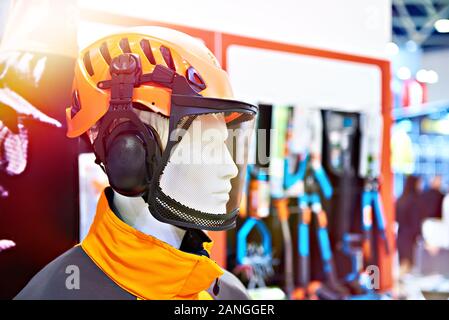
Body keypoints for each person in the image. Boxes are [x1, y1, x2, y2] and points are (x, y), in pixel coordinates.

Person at [15, 27, 258, 300]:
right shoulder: (53, 295)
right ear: (129, 152)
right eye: (207, 146)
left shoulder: (227, 294)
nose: (230, 168)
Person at [396, 175, 422, 274]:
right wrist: (419, 235)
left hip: (401, 234)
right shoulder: (414, 200)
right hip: (410, 237)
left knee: (403, 263)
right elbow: (415, 221)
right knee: (408, 266)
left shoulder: (401, 199)